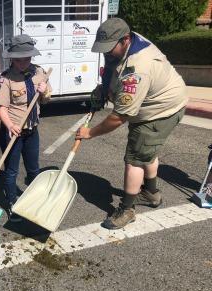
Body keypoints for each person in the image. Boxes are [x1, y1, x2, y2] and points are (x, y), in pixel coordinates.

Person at [75, 18, 188, 230]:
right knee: (147, 152)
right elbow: (115, 67)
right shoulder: (132, 42)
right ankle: (151, 193)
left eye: (109, 49)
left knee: (134, 159)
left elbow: (119, 117)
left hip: (159, 112)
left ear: (125, 39)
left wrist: (90, 133)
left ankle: (127, 210)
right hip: (162, 105)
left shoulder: (138, 68)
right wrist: (105, 89)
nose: (106, 54)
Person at [0, 34, 52, 221]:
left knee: (34, 170)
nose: (22, 63)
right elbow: (2, 108)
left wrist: (44, 92)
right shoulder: (6, 79)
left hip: (31, 131)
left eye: (26, 59)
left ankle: (35, 201)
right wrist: (10, 125)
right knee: (11, 171)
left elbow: (45, 100)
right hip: (13, 132)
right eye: (18, 60)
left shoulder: (40, 72)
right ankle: (12, 203)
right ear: (12, 58)